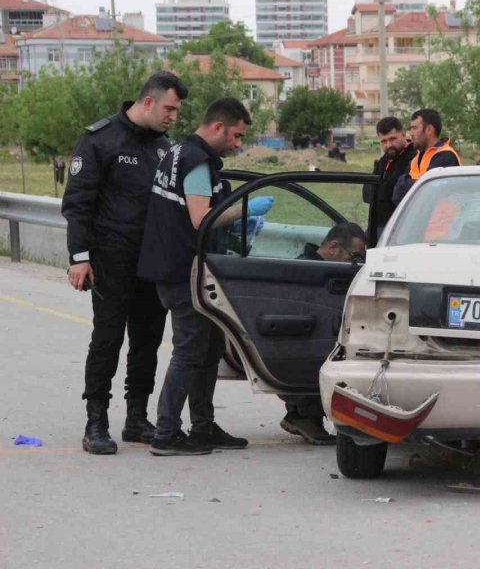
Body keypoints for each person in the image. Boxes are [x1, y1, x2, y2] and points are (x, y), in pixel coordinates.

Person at [137, 98, 274, 456]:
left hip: (176, 266)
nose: (238, 144)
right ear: (218, 127)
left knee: (209, 348)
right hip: (183, 272)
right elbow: (201, 218)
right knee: (189, 351)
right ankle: (166, 433)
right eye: (236, 135)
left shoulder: (177, 151)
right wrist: (245, 209)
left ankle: (202, 426)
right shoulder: (196, 160)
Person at [61, 71, 189, 455]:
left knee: (148, 340)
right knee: (108, 338)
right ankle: (96, 421)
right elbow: (78, 203)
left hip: (152, 262)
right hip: (110, 259)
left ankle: (137, 417)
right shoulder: (100, 139)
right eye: (169, 109)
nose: (173, 117)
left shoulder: (166, 149)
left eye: (177, 111)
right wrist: (79, 257)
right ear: (148, 102)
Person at [280, 222, 367, 444]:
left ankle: (302, 415)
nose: (357, 264)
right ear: (333, 247)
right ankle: (305, 414)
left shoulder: (314, 269)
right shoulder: (310, 273)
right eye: (354, 257)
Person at [391, 108, 461, 205]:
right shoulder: (416, 158)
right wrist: (410, 184)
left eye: (415, 128)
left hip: (442, 215)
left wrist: (406, 183)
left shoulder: (446, 155)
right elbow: (397, 194)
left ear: (429, 129)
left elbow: (429, 192)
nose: (411, 133)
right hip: (420, 214)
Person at [364, 116, 417, 230]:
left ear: (403, 134)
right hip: (378, 225)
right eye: (384, 141)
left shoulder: (414, 157)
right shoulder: (385, 159)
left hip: (401, 227)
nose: (388, 145)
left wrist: (381, 190)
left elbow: (400, 194)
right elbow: (367, 192)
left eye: (392, 139)